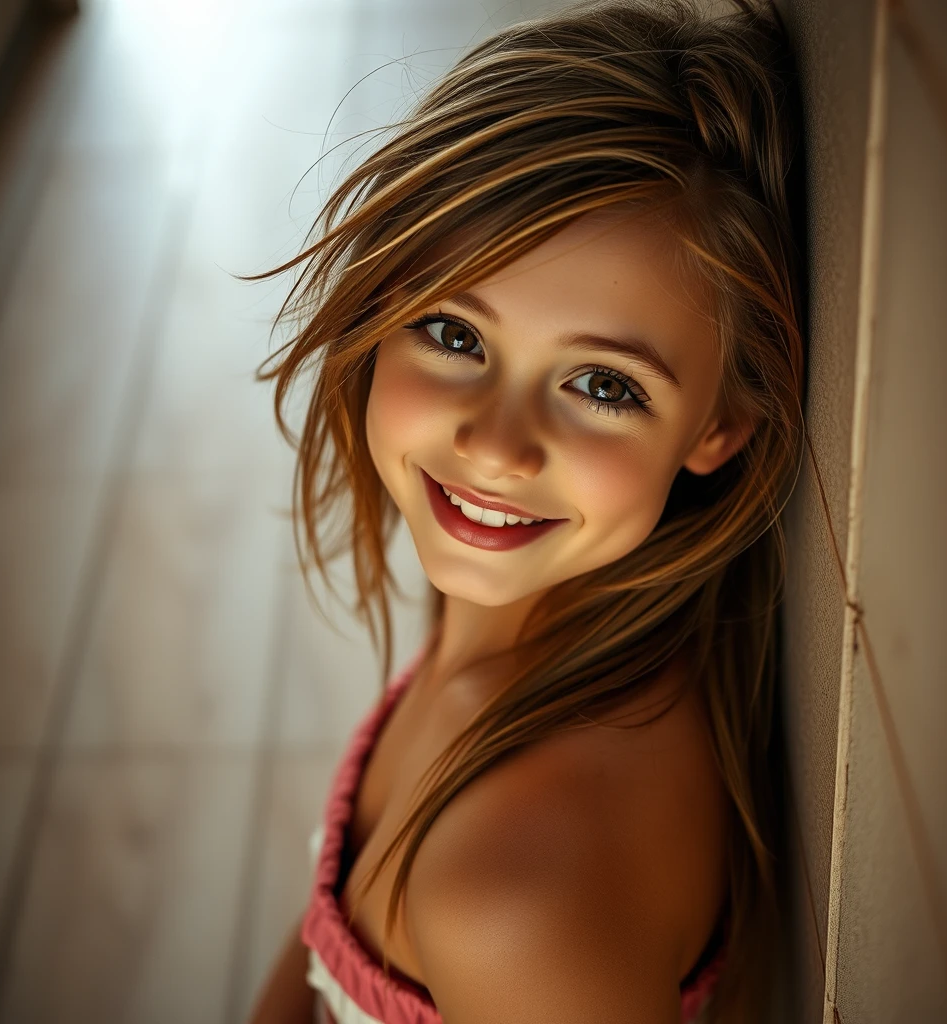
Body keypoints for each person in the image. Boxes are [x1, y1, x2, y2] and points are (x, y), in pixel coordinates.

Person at [247, 0, 805, 1020]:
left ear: (719, 427)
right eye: (454, 334)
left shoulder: (518, 895)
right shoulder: (534, 630)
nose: (496, 445)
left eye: (603, 386)